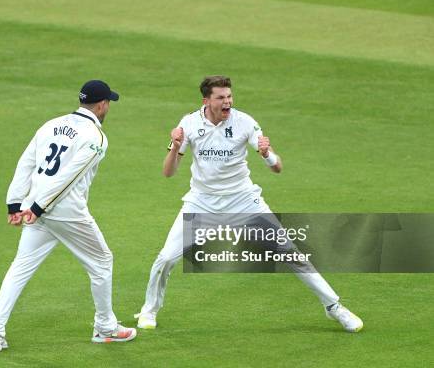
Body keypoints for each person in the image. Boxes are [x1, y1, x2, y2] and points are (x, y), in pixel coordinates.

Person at [135, 75, 363, 333]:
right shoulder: (188, 124)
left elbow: (277, 167)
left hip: (244, 202)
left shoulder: (245, 122)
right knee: (166, 258)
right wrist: (175, 147)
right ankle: (149, 310)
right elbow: (168, 172)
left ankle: (334, 307)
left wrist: (267, 155)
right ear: (206, 100)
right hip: (202, 205)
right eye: (221, 98)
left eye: (229, 96)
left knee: (291, 253)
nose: (227, 102)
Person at [0, 80, 137, 352]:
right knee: (102, 261)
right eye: (108, 103)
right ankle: (105, 327)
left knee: (20, 269)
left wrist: (15, 204)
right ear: (102, 105)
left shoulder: (50, 124)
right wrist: (40, 207)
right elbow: (69, 177)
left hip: (35, 206)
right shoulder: (97, 137)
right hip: (62, 211)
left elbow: (26, 162)